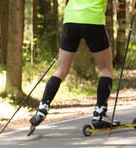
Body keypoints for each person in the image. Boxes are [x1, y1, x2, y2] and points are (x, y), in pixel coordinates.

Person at [29, 0, 120, 135]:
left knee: (61, 69)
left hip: (71, 19)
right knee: (105, 69)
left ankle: (42, 108)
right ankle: (99, 113)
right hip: (93, 19)